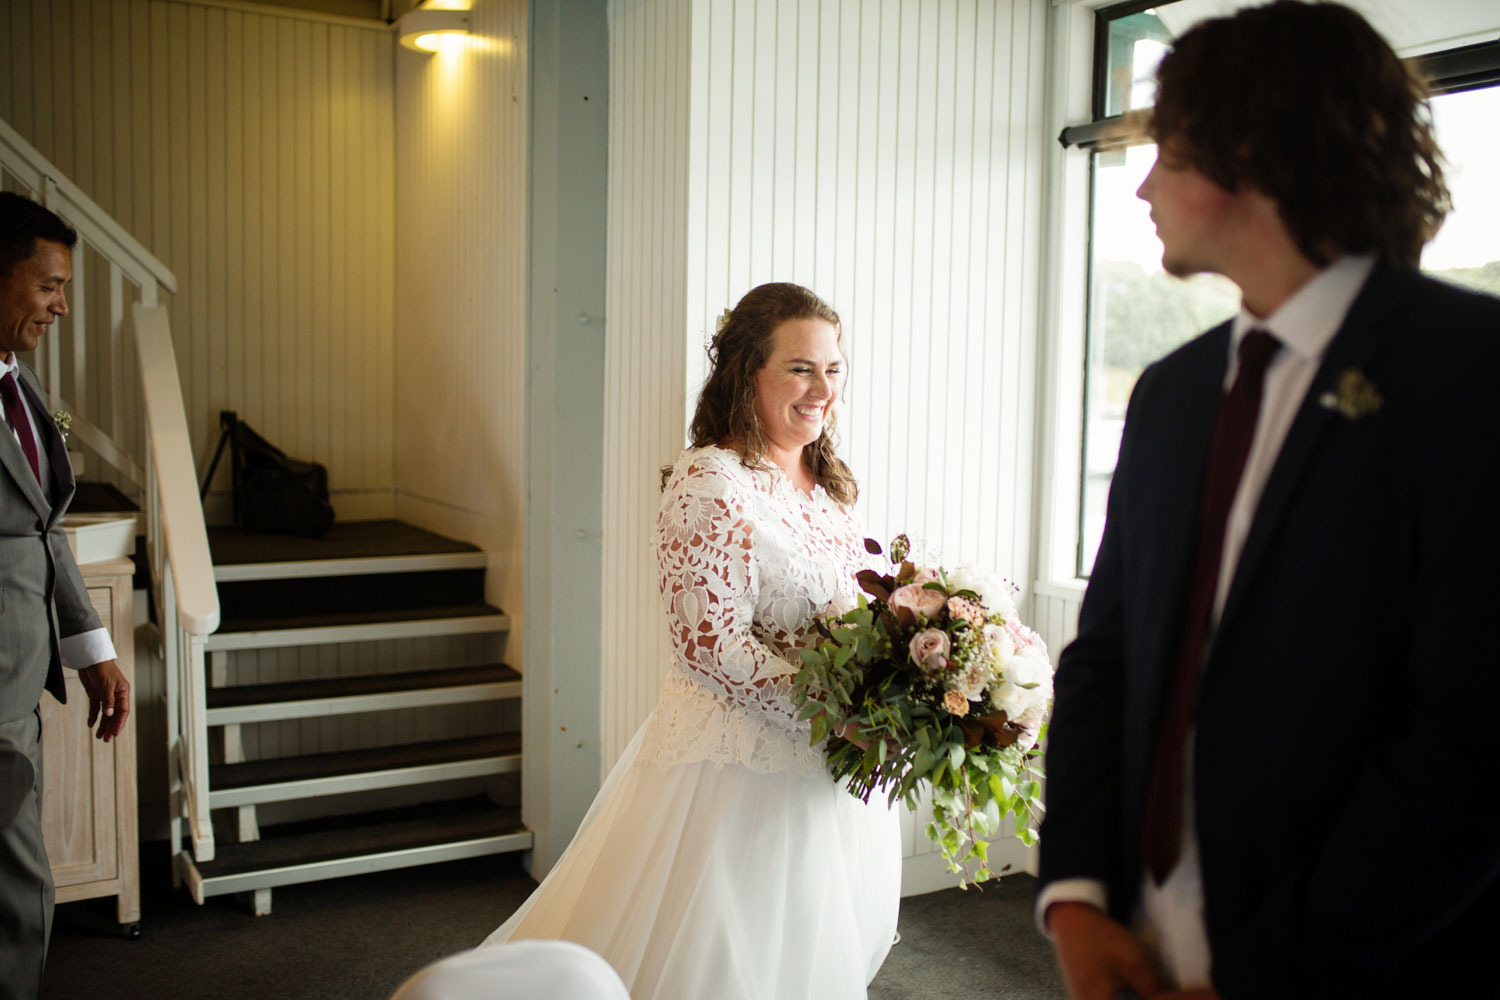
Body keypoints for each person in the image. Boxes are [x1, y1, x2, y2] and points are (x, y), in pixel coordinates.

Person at [1036, 3, 1500, 998]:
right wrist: (1076, 894)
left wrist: (1270, 974)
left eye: (1166, 150)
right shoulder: (1170, 395)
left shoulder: (1473, 374)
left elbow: (1471, 741)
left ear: (1253, 144)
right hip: (1143, 938)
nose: (1147, 185)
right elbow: (1107, 656)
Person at [478, 282, 900, 998]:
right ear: (748, 373)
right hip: (734, 780)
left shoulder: (825, 484)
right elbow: (712, 650)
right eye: (800, 368)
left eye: (834, 367)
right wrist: (839, 718)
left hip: (820, 773)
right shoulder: (710, 483)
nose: (822, 388)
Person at [0, 191, 131, 1000]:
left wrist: (91, 649)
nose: (61, 305)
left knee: (16, 887)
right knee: (18, 893)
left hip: (22, 683)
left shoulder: (22, 382)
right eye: (48, 285)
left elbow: (45, 526)